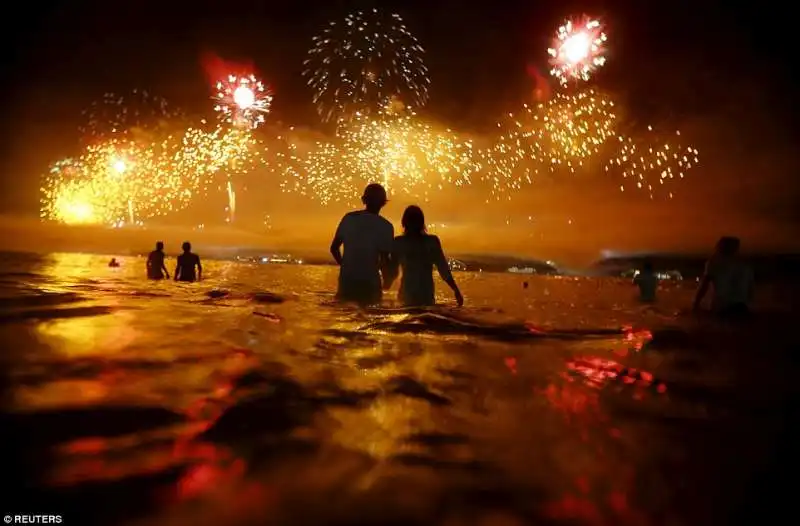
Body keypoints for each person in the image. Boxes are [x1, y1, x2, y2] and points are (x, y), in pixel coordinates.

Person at [384, 205, 464, 307]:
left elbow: (392, 273)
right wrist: (455, 290)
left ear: (404, 223)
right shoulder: (431, 241)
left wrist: (384, 284)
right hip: (425, 294)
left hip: (407, 294)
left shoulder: (399, 242)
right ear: (422, 223)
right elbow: (443, 269)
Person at [330, 183, 394, 305]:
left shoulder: (349, 218)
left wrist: (345, 266)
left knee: (344, 315)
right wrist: (387, 280)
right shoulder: (386, 226)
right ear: (383, 203)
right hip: (369, 283)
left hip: (347, 281)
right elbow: (385, 260)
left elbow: (334, 248)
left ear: (364, 200)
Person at [693, 236, 754, 317]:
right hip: (741, 308)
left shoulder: (714, 262)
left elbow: (704, 286)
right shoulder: (745, 265)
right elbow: (750, 292)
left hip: (721, 308)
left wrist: (695, 304)